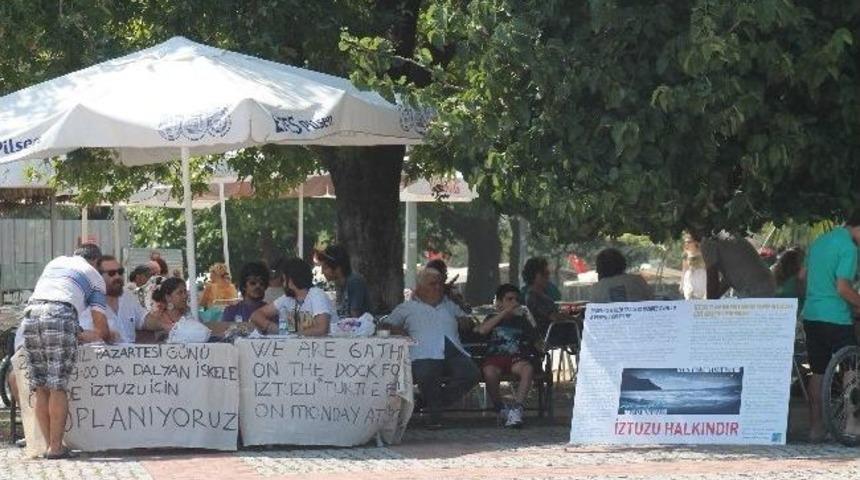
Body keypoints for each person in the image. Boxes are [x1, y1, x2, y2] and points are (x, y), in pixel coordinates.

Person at [21, 243, 109, 459]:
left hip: (31, 314)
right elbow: (101, 329)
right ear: (96, 262)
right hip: (61, 314)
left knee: (41, 386)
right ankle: (55, 447)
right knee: (57, 385)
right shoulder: (95, 277)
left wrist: (74, 331)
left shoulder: (56, 262)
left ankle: (48, 445)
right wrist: (79, 333)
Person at [383, 268, 480, 428]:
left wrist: (465, 321)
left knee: (471, 374)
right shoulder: (408, 307)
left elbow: (467, 320)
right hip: (423, 351)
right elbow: (385, 324)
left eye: (440, 284)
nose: (438, 287)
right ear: (420, 287)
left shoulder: (449, 305)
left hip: (452, 349)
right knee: (426, 373)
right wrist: (398, 330)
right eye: (432, 284)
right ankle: (435, 415)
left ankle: (428, 402)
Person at [800, 215, 860, 442]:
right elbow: (843, 289)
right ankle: (854, 425)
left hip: (812, 315)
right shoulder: (849, 248)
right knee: (852, 367)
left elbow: (802, 276)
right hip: (835, 316)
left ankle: (815, 429)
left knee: (818, 371)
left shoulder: (820, 241)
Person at [475, 283, 540, 428]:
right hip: (495, 359)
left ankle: (517, 409)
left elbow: (536, 339)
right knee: (489, 372)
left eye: (516, 299)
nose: (513, 303)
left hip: (516, 358)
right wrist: (503, 313)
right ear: (499, 302)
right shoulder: (492, 318)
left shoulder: (522, 320)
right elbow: (482, 331)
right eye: (509, 299)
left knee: (527, 369)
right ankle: (500, 408)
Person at [250, 258, 338, 336]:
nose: (283, 284)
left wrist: (291, 335)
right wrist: (271, 327)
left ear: (291, 281)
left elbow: (322, 329)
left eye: (284, 280)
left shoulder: (316, 294)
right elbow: (256, 315)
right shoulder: (286, 299)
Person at [76, 256, 150, 344]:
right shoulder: (85, 300)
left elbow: (144, 319)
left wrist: (163, 321)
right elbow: (79, 334)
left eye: (120, 272)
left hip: (131, 355)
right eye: (112, 273)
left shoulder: (127, 296)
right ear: (98, 276)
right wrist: (104, 336)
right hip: (99, 355)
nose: (117, 276)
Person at [697, 231, 776, 298]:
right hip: (769, 285)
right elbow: (730, 277)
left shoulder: (707, 241)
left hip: (754, 291)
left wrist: (707, 306)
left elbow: (712, 281)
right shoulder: (729, 233)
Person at [318, 245, 369, 317]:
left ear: (338, 268)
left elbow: (355, 317)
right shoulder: (342, 284)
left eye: (325, 268)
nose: (322, 272)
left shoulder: (354, 282)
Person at [522, 257, 571, 333]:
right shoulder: (534, 298)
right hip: (552, 334)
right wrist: (570, 317)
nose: (548, 277)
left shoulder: (538, 295)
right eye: (545, 274)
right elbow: (553, 317)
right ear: (535, 276)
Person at [589, 248, 654, 303]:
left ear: (599, 269)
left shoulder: (597, 288)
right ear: (623, 264)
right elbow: (652, 300)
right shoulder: (637, 281)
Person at [680, 233, 708, 300]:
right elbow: (684, 269)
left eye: (689, 242)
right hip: (689, 277)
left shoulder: (703, 253)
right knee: (689, 296)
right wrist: (681, 283)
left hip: (701, 277)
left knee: (700, 299)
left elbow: (707, 266)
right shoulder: (685, 254)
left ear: (695, 242)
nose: (687, 244)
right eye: (685, 242)